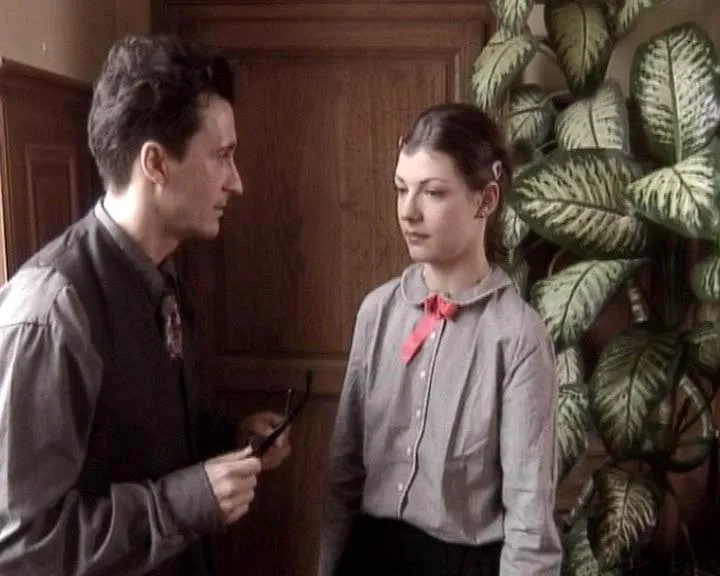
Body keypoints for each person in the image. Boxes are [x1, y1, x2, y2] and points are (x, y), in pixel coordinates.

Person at [0, 34, 292, 576]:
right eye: (222, 157)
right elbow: (21, 545)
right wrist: (186, 503)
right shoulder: (51, 313)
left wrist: (228, 440)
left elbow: (136, 443)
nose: (237, 182)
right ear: (155, 162)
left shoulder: (163, 274)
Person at [318, 103, 563, 576]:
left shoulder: (517, 336)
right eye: (401, 189)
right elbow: (343, 475)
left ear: (485, 200)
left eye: (432, 192)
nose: (408, 211)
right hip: (368, 558)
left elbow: (530, 518)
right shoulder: (377, 312)